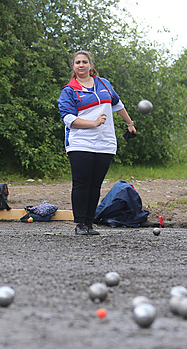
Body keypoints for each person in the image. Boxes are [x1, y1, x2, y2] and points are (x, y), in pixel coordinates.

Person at [57, 50, 137, 235]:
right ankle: (80, 224)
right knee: (81, 184)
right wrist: (93, 123)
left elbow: (117, 104)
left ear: (91, 65)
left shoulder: (104, 84)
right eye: (78, 62)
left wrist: (129, 123)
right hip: (80, 142)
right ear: (73, 66)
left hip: (105, 142)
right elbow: (69, 119)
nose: (81, 65)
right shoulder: (69, 90)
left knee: (95, 185)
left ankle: (89, 223)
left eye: (85, 61)